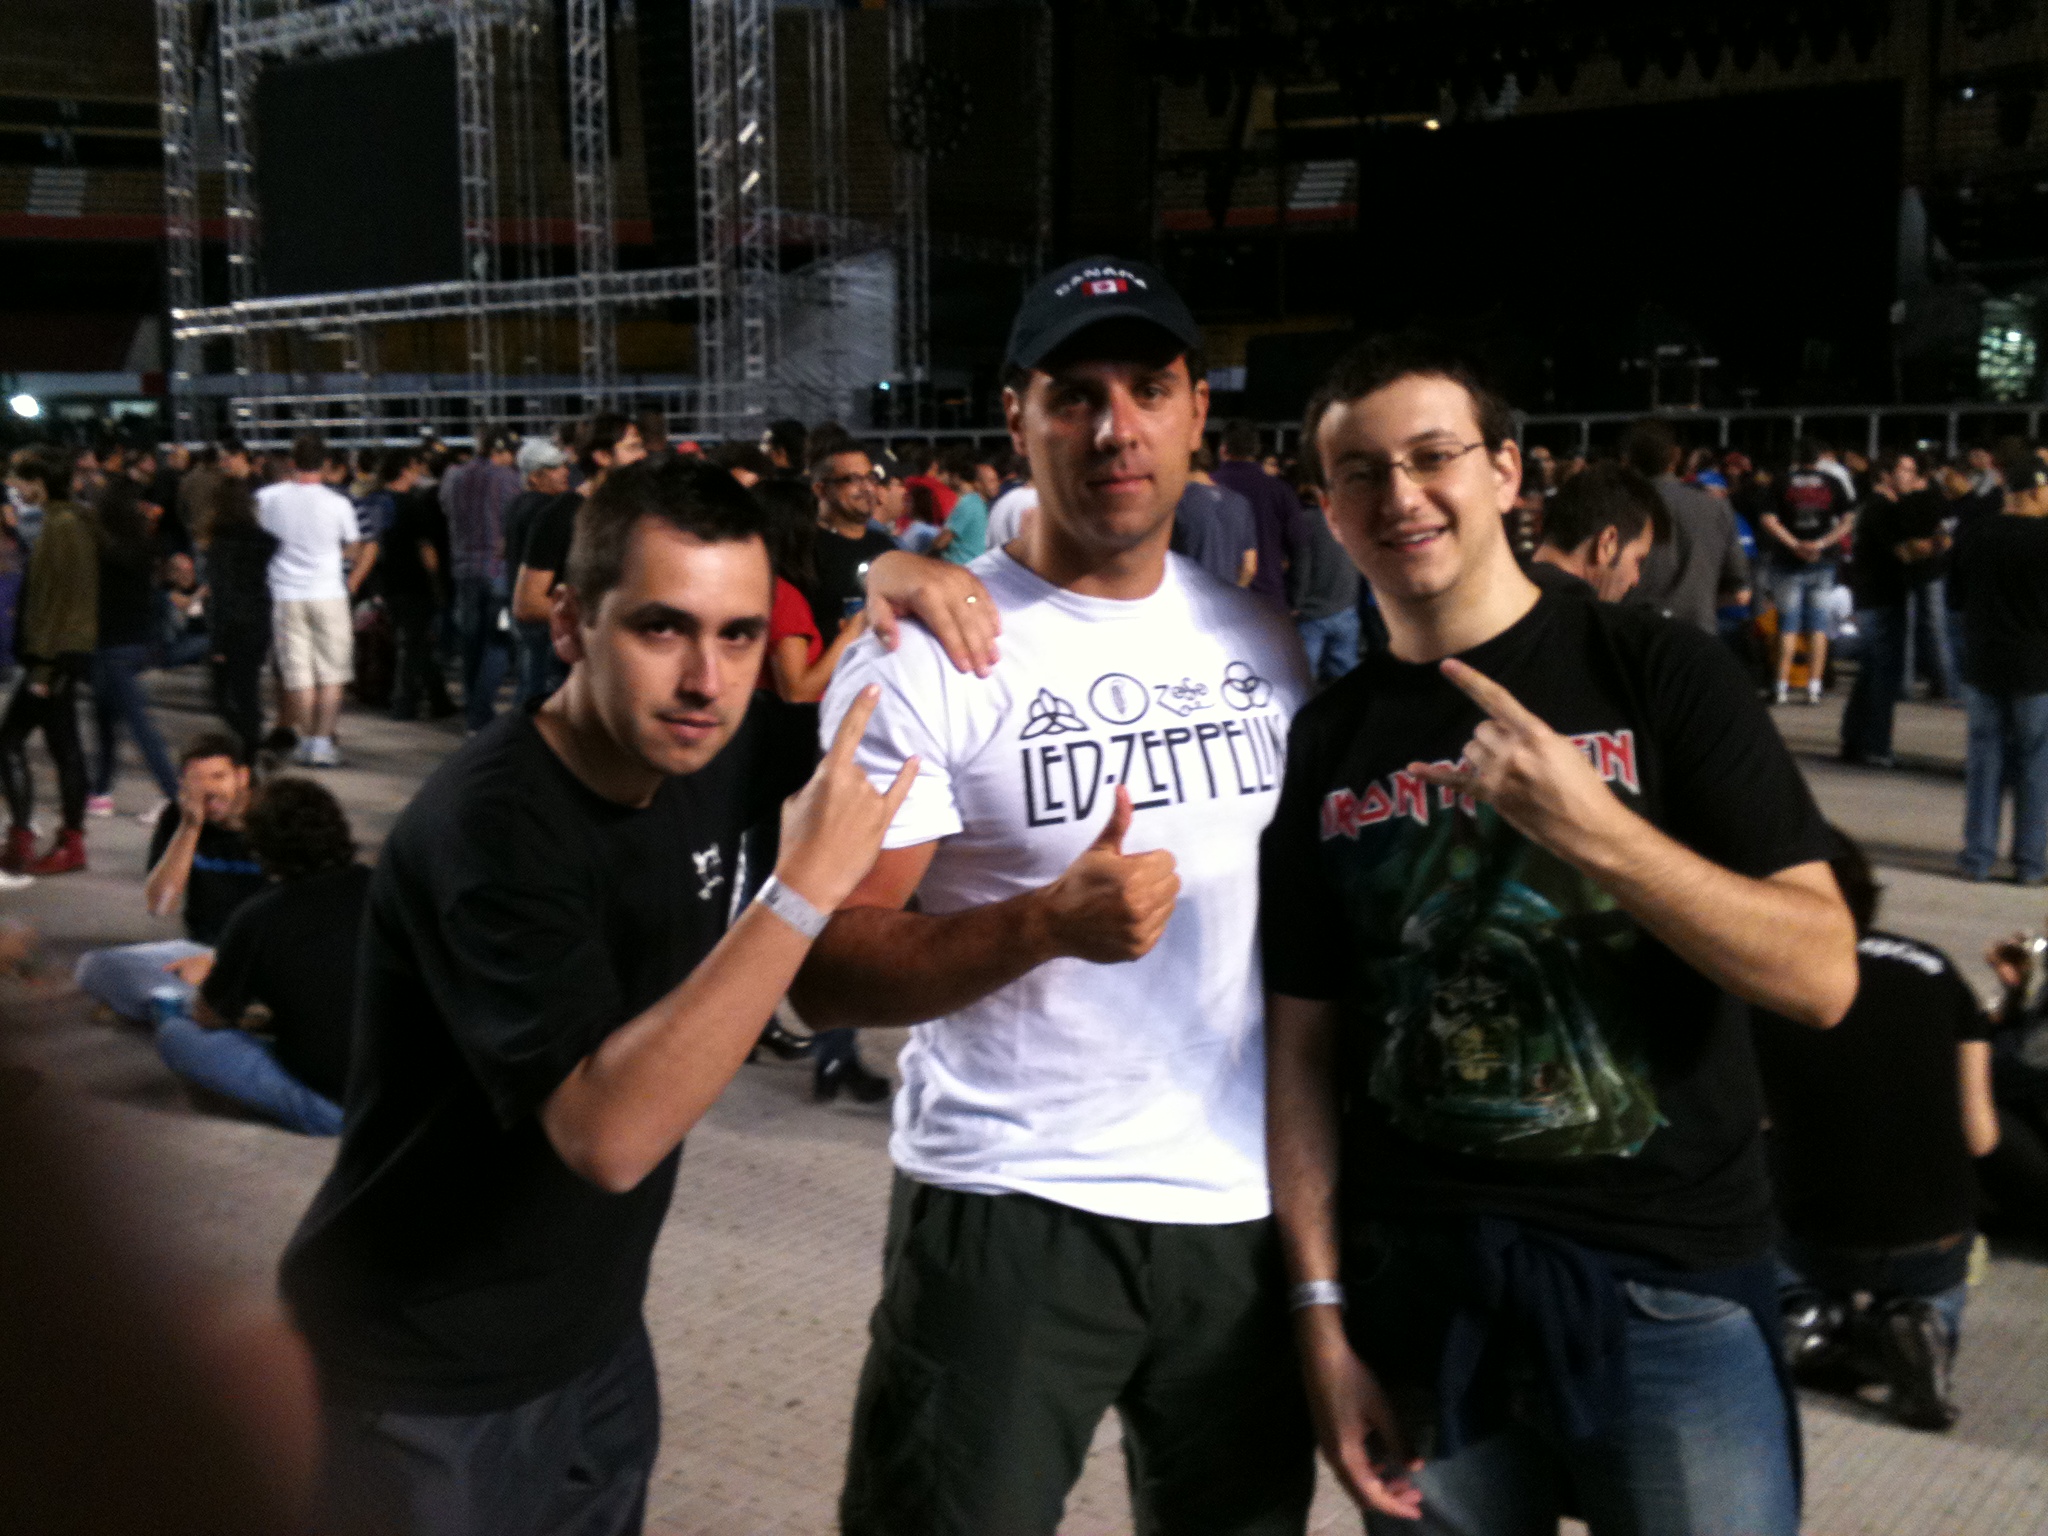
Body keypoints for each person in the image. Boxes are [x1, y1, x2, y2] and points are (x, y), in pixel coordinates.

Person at [276, 456, 947, 1536]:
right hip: (420, 1368)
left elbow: (893, 711)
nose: (706, 680)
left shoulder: (707, 743)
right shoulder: (492, 827)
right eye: (660, 629)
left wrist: (899, 571)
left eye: (738, 635)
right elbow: (609, 1134)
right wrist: (796, 894)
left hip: (590, 1332)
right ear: (570, 625)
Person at [1260, 334, 1856, 1534]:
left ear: (1504, 472)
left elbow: (1819, 974)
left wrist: (1599, 835)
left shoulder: (1655, 671)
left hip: (1665, 1284)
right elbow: (1302, 1052)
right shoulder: (1328, 738)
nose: (1400, 496)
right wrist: (1318, 1317)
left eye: (1432, 457)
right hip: (1420, 1293)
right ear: (1328, 508)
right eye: (1360, 473)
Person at [793, 255, 1317, 1536]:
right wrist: (1040, 927)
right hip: (1011, 1207)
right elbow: (819, 968)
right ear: (1016, 419)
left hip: (1238, 1220)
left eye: (1147, 389)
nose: (1113, 428)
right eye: (1073, 395)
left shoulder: (1261, 641)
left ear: (1197, 413)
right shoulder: (928, 653)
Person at [1753, 832, 1997, 1433]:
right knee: (1941, 1268)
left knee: (1761, 1216)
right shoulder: (1937, 967)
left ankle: (1805, 1312)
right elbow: (1981, 1137)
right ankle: (1922, 1317)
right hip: (1934, 1229)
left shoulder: (1762, 984)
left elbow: (1753, 1120)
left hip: (1820, 1225)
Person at [153, 776, 370, 1137]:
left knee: (176, 1033)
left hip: (335, 1107)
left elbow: (208, 1016)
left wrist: (212, 985)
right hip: (411, 1097)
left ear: (260, 849)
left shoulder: (259, 916)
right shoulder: (385, 889)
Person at [73, 733, 265, 1022]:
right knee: (93, 967)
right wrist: (189, 828)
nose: (209, 790)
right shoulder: (178, 818)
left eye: (218, 777)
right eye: (197, 780)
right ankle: (212, 1012)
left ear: (242, 777)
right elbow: (161, 906)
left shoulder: (273, 818)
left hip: (261, 957)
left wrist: (219, 962)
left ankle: (178, 1009)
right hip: (197, 950)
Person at [1951, 448, 2048, 883]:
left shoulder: (1975, 532)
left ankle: (1977, 857)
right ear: (2035, 491)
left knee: (1984, 762)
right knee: (2035, 765)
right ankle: (2029, 862)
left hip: (1983, 662)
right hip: (2036, 666)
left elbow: (1954, 597)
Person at [0, 446, 97, 876]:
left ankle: (23, 838)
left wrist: (43, 668)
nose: (14, 487)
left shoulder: (61, 528)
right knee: (64, 747)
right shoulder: (66, 522)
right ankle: (68, 842)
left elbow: (58, 601)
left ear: (38, 484)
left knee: (9, 743)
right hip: (62, 655)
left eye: (19, 479)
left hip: (53, 657)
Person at [257, 433, 375, 767]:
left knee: (298, 672)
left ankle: (307, 739)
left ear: (291, 463)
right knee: (332, 672)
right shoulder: (339, 503)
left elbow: (257, 539)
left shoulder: (266, 498)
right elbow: (354, 546)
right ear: (324, 464)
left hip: (285, 594)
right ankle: (322, 742)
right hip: (328, 591)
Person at [86, 476, 180, 818]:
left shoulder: (101, 547)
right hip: (136, 639)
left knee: (138, 724)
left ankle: (175, 795)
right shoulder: (144, 544)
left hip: (109, 642)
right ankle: (101, 791)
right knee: (105, 716)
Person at [1839, 450, 1933, 768]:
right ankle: (1876, 745)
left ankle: (1855, 739)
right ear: (1885, 474)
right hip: (1881, 599)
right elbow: (1902, 552)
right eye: (1905, 470)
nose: (1912, 477)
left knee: (1871, 673)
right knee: (1883, 676)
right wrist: (1937, 545)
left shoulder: (1875, 506)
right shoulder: (1882, 508)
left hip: (1875, 598)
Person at [1622, 418, 1749, 635]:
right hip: (1697, 635)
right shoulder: (1716, 508)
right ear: (1676, 455)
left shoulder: (1619, 508)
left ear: (1628, 459)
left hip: (1636, 632)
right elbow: (1740, 593)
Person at [1759, 439, 1854, 705]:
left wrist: (1794, 544)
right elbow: (1849, 518)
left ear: (1795, 459)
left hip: (1788, 560)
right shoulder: (1832, 482)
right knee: (1818, 625)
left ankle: (1781, 686)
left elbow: (1768, 519)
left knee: (1787, 625)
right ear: (1818, 459)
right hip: (1822, 559)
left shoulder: (1780, 482)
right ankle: (1814, 686)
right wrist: (1823, 543)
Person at [445, 430, 520, 731]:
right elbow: (514, 522)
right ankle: (479, 713)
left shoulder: (453, 476)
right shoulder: (508, 479)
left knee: (470, 643)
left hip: (463, 569)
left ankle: (472, 710)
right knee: (498, 642)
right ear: (501, 452)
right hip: (498, 572)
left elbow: (446, 511)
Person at [377, 451, 456, 723]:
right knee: (413, 644)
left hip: (387, 582)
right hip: (414, 582)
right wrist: (437, 583)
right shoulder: (413, 504)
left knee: (417, 642)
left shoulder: (377, 502)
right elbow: (427, 550)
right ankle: (404, 703)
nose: (418, 473)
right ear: (404, 471)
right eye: (414, 468)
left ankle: (439, 699)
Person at [206, 477, 278, 760]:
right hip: (259, 616)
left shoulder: (221, 543)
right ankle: (253, 743)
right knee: (247, 689)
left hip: (233, 623)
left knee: (223, 696)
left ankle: (253, 744)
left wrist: (218, 642)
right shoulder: (265, 541)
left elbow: (222, 592)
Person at [1528, 460, 1667, 602]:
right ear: (1607, 543)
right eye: (1637, 560)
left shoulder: (1517, 590)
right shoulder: (1580, 611)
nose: (1635, 579)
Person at [505, 437, 575, 706]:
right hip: (542, 608)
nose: (565, 472)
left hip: (523, 604)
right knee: (540, 687)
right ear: (534, 477)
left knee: (530, 679)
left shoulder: (516, 504)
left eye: (564, 466)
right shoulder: (545, 510)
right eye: (554, 468)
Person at [807, 444, 898, 647]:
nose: (867, 488)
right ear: (821, 489)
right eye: (853, 479)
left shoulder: (885, 546)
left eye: (871, 478)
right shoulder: (805, 549)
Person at [1215, 417, 1305, 612]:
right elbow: (1300, 546)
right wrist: (1294, 599)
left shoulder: (1206, 487)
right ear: (1256, 451)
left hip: (1214, 598)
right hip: (1268, 599)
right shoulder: (1280, 491)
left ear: (1223, 449)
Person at [1289, 474, 1363, 683]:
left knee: (1306, 676)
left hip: (1312, 612)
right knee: (1345, 672)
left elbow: (1302, 568)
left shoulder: (1303, 523)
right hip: (1346, 606)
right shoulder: (1346, 519)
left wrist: (1295, 603)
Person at [1171, 445, 1258, 589]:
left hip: (1189, 594)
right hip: (1227, 596)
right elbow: (1249, 567)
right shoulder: (1240, 502)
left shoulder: (1177, 501)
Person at [936, 445, 994, 566]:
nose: (939, 478)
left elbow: (942, 541)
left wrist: (921, 557)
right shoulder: (980, 501)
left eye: (942, 473)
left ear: (955, 476)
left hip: (961, 566)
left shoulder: (968, 502)